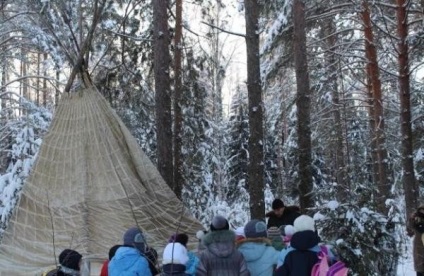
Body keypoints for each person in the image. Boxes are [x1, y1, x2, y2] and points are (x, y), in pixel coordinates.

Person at [408, 205, 424, 276]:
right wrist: (412, 219)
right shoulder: (415, 219)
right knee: (420, 269)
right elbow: (409, 229)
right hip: (419, 247)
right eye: (421, 210)